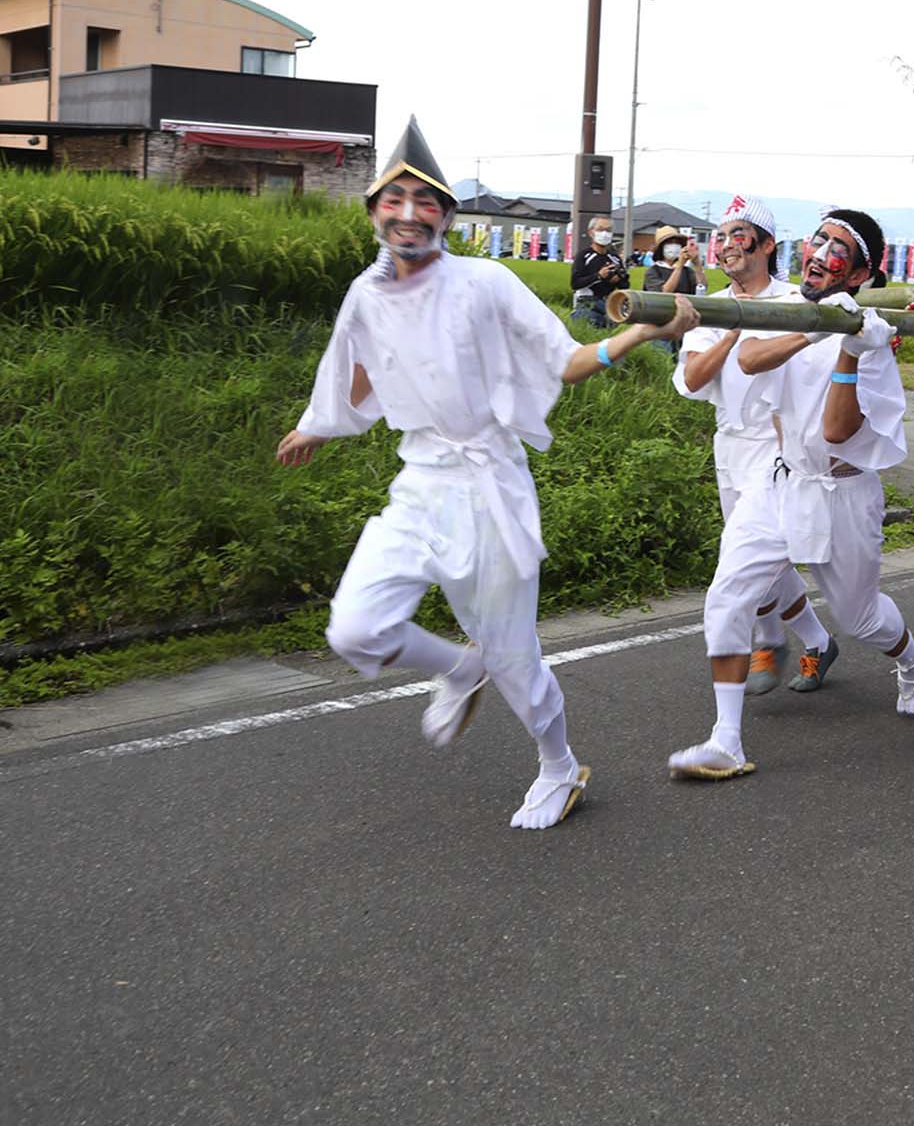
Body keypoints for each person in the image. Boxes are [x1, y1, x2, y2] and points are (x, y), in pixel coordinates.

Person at [275, 118, 684, 829]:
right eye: (393, 200)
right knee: (355, 628)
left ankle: (559, 765)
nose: (408, 214)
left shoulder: (486, 281)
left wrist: (639, 334)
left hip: (491, 483)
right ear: (374, 213)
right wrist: (320, 423)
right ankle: (458, 668)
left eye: (424, 200)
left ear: (446, 215)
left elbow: (564, 359)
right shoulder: (364, 296)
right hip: (420, 482)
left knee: (516, 658)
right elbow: (357, 373)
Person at [666, 209, 914, 780]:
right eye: (818, 239)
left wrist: (849, 347)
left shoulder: (871, 335)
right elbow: (745, 359)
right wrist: (813, 330)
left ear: (861, 273)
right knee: (727, 596)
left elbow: (839, 430)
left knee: (860, 619)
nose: (819, 252)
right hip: (781, 480)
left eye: (837, 247)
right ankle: (726, 740)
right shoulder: (792, 311)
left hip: (843, 495)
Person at [672, 194, 832, 695]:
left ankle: (766, 641)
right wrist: (731, 329)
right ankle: (818, 640)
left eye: (738, 235)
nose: (726, 246)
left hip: (781, 448)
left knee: (744, 560)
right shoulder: (711, 307)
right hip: (731, 447)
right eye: (720, 237)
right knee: (764, 563)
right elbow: (695, 379)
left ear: (767, 245)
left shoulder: (796, 302)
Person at [571, 213, 630, 326]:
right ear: (591, 233)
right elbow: (575, 283)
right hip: (587, 301)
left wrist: (619, 279)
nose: (605, 234)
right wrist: (599, 276)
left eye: (608, 230)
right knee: (590, 321)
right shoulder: (583, 256)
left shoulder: (615, 258)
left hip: (610, 302)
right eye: (600, 230)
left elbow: (625, 286)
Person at [649, 225, 702, 297]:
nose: (674, 245)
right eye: (669, 242)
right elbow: (664, 293)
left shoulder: (687, 271)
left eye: (677, 242)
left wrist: (697, 263)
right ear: (661, 248)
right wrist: (679, 266)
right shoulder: (653, 271)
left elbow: (701, 288)